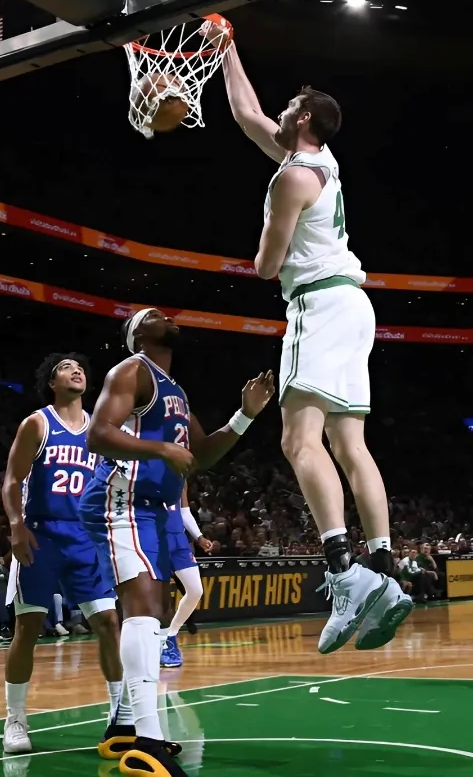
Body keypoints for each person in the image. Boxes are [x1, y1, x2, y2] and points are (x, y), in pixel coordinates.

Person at [221, 44, 412, 654]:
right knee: (350, 444)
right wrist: (227, 48)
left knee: (296, 440)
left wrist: (262, 238)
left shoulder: (291, 178)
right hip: (356, 307)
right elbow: (249, 115)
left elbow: (265, 266)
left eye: (289, 106)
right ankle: (384, 573)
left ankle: (342, 573)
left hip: (318, 305)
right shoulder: (322, 161)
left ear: (302, 119)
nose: (278, 111)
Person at [79, 309, 274, 776]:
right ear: (138, 334)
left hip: (151, 508)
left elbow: (201, 456)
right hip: (121, 500)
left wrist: (245, 415)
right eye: (156, 316)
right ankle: (146, 742)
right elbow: (97, 434)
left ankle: (124, 729)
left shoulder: (175, 391)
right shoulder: (131, 370)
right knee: (144, 610)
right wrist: (160, 449)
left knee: (152, 614)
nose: (169, 317)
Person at [1, 354, 124, 755]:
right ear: (51, 381)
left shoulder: (99, 429)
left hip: (86, 538)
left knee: (108, 622)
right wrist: (17, 526)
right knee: (29, 628)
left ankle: (119, 715)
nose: (77, 370)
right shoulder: (38, 422)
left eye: (81, 367)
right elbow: (12, 479)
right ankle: (15, 719)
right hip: (42, 533)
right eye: (66, 367)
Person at [160, 484, 213, 668]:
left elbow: (184, 512)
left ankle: (171, 635)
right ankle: (163, 643)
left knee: (195, 590)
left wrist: (199, 537)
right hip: (155, 538)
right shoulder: (145, 467)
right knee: (159, 597)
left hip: (178, 539)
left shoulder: (180, 476)